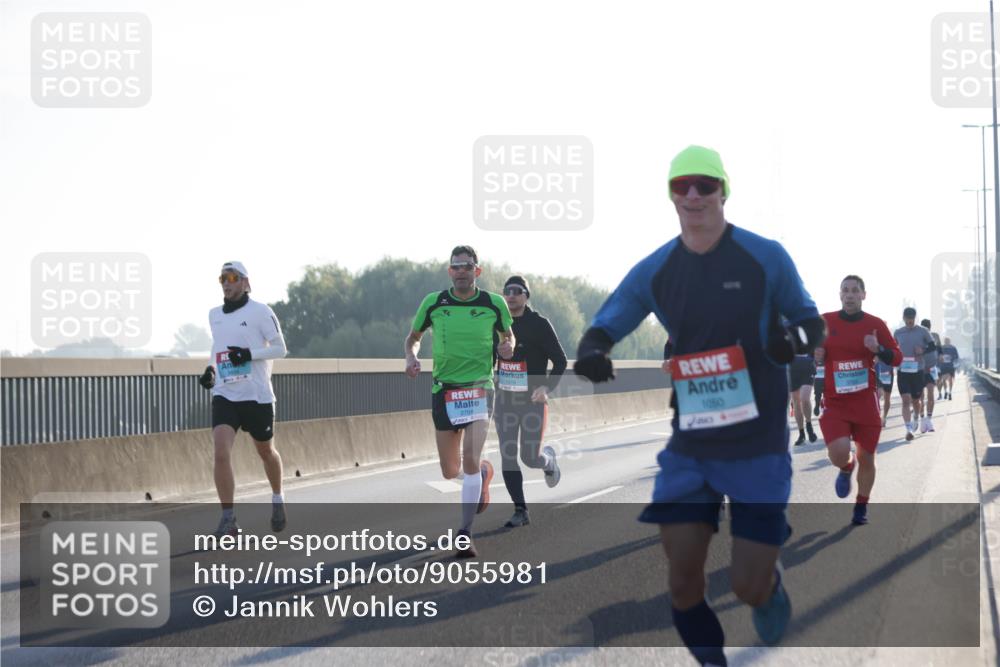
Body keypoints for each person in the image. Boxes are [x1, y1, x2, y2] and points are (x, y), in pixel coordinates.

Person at [574, 145, 824, 664]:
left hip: (757, 442)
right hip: (692, 442)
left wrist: (788, 342)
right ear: (670, 194)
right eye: (681, 186)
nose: (692, 195)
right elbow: (612, 316)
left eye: (704, 185)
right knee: (683, 583)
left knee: (748, 584)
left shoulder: (765, 255)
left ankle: (768, 589)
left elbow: (809, 321)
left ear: (723, 191)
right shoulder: (659, 267)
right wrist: (595, 348)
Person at [404, 246, 514, 558]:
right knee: (450, 470)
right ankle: (482, 473)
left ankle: (464, 533)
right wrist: (411, 357)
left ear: (477, 271)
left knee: (468, 458)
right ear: (449, 271)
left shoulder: (493, 304)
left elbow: (508, 336)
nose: (461, 271)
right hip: (444, 390)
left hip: (480, 388)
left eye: (467, 266)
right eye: (456, 267)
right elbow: (412, 337)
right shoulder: (434, 302)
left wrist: (507, 347)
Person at [199, 261, 289, 538]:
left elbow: (281, 349)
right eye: (222, 278)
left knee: (265, 452)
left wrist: (248, 354)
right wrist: (211, 370)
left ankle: (277, 498)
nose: (227, 283)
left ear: (245, 283)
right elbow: (218, 348)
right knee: (221, 451)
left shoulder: (261, 312)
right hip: (226, 393)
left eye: (232, 277)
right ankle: (228, 519)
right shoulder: (215, 315)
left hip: (256, 395)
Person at [815, 276, 901, 526]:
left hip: (864, 401)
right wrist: (817, 354)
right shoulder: (825, 321)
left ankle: (861, 505)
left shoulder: (875, 324)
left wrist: (878, 349)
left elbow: (896, 357)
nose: (849, 295)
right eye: (845, 291)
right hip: (835, 401)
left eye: (855, 291)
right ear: (839, 295)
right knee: (839, 452)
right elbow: (812, 349)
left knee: (867, 458)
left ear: (864, 295)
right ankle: (845, 467)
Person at [494, 276, 568, 528]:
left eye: (517, 291)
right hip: (505, 401)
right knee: (507, 454)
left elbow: (560, 361)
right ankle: (520, 510)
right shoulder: (496, 324)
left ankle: (547, 460)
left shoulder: (539, 324)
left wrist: (546, 388)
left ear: (526, 296)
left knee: (529, 457)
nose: (511, 295)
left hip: (533, 401)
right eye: (507, 291)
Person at [893, 309, 934, 441]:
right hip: (903, 370)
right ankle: (908, 429)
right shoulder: (898, 333)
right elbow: (893, 348)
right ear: (903, 318)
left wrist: (923, 350)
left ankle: (916, 416)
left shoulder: (923, 331)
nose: (910, 320)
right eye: (908, 318)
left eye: (912, 318)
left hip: (918, 370)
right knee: (905, 400)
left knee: (916, 400)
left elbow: (933, 346)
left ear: (915, 318)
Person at [788, 354, 817, 446]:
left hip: (807, 365)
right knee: (796, 402)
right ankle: (801, 433)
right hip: (791, 367)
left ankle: (809, 425)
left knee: (805, 398)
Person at [919, 319, 941, 431]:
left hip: (931, 369)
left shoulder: (935, 336)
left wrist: (938, 360)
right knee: (921, 398)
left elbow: (939, 350)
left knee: (931, 395)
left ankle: (928, 419)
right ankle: (922, 420)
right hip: (920, 370)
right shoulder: (917, 337)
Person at [875, 358, 893, 427]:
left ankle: (884, 417)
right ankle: (877, 416)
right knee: (878, 394)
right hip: (875, 370)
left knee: (887, 397)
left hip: (887, 371)